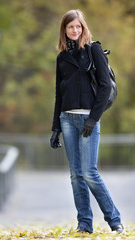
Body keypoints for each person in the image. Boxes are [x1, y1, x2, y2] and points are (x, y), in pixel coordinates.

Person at [50, 9, 124, 234]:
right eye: (70, 27)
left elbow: (104, 87)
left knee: (89, 172)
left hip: (88, 119)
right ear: (64, 30)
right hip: (67, 119)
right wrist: (55, 128)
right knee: (75, 176)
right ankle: (84, 224)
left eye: (78, 26)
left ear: (83, 28)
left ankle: (114, 220)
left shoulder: (94, 50)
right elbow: (59, 94)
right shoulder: (62, 58)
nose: (74, 30)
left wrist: (93, 119)